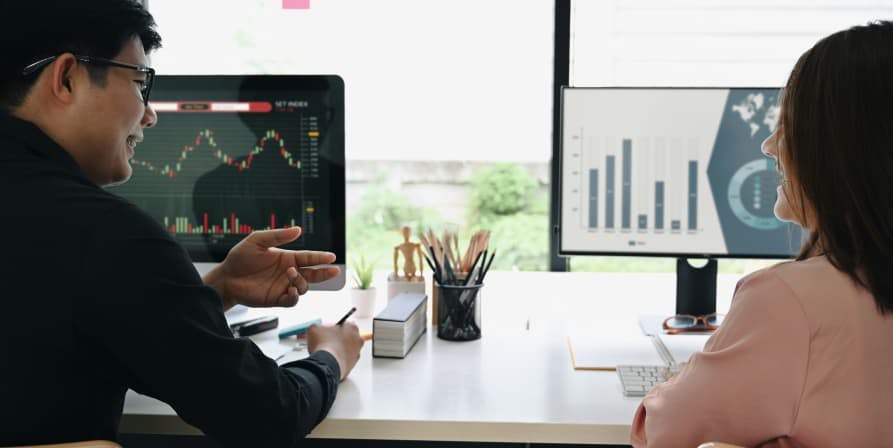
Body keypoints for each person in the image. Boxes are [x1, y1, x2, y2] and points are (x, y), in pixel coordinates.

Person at [0, 1, 363, 447]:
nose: (149, 114)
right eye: (138, 83)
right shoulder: (109, 237)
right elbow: (268, 415)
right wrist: (332, 355)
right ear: (68, 77)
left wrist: (218, 289)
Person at [630, 21, 893, 447]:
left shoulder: (789, 302)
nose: (770, 146)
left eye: (789, 126)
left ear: (840, 149)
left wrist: (681, 380)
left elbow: (660, 430)